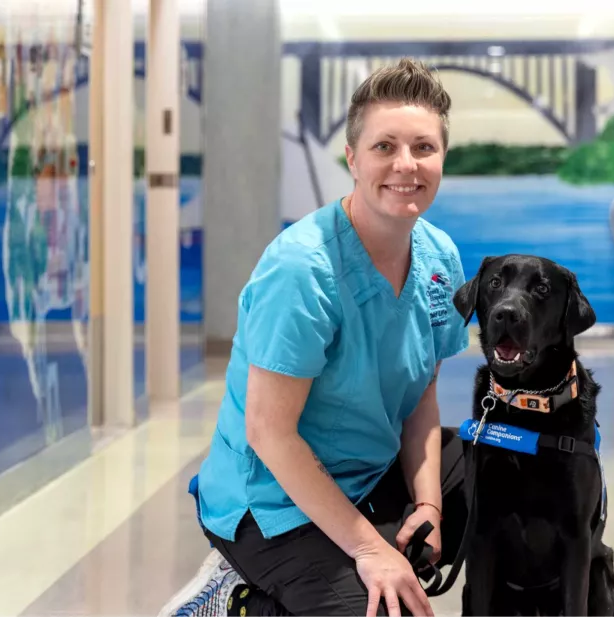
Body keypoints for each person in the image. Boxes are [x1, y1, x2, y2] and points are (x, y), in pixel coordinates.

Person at [193, 58, 470, 617]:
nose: (406, 164)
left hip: (368, 472)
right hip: (273, 501)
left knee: (518, 475)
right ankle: (240, 601)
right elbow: (270, 433)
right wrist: (370, 549)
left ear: (442, 157)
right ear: (352, 158)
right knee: (388, 610)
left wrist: (429, 506)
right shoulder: (302, 269)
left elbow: (421, 396)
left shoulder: (439, 258)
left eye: (423, 147)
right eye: (384, 146)